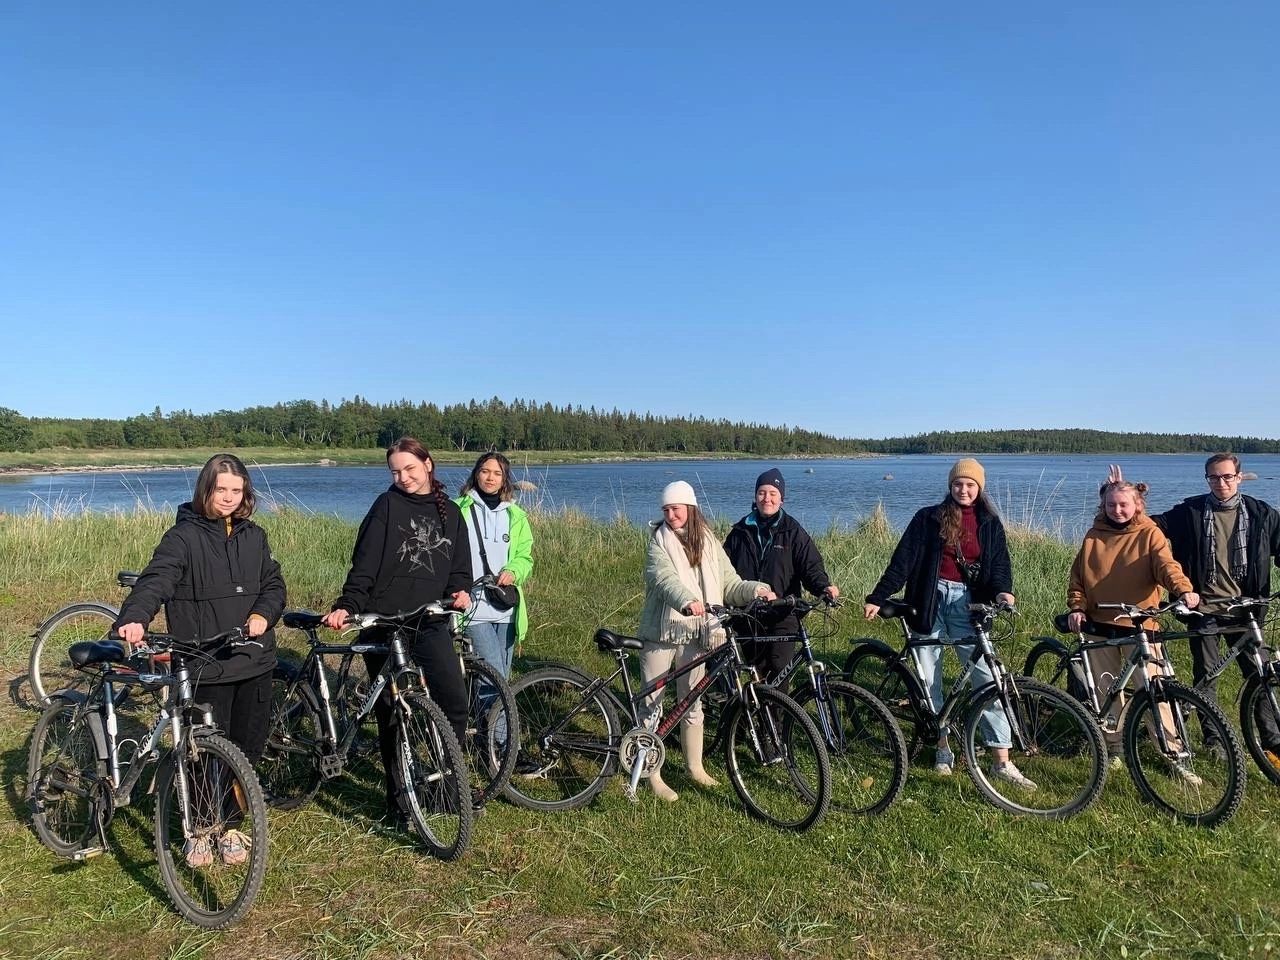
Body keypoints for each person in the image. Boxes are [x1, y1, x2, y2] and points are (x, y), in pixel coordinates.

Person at [115, 453, 286, 867]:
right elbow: (157, 578)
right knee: (202, 752)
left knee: (245, 751)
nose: (228, 498)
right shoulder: (182, 538)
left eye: (236, 490)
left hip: (255, 660)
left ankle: (228, 826)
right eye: (221, 489)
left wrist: (264, 613)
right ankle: (198, 829)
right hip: (204, 662)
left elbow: (274, 583)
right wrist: (136, 616)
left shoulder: (255, 536)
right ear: (205, 489)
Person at [321, 437, 475, 822]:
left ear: (428, 464)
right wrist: (348, 605)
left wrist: (460, 591)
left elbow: (459, 568)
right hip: (384, 623)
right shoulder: (386, 506)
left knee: (454, 704)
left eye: (410, 468)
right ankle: (399, 802)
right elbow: (365, 564)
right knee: (391, 714)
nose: (403, 477)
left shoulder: (452, 513)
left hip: (430, 620)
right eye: (395, 471)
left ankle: (443, 786)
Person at [864, 458, 1031, 788]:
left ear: (979, 488)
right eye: (958, 484)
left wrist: (1003, 593)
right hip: (929, 601)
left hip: (969, 604)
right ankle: (942, 750)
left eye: (970, 485)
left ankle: (1001, 759)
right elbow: (903, 561)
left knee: (987, 678)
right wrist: (878, 595)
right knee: (929, 679)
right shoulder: (929, 518)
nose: (963, 489)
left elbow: (1000, 565)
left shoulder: (989, 523)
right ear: (950, 486)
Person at [637, 480, 774, 801]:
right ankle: (651, 773)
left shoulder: (711, 543)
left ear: (691, 509)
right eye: (667, 510)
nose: (672, 516)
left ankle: (694, 767)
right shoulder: (658, 542)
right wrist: (686, 600)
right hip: (662, 633)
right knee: (651, 706)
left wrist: (757, 589)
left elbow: (730, 584)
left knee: (692, 703)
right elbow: (662, 579)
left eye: (677, 509)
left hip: (699, 633)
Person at [1143, 455, 1280, 764]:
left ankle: (1272, 740)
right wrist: (1134, 496)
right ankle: (1215, 740)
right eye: (1214, 478)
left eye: (1228, 477)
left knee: (1260, 674)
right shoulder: (1190, 512)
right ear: (1207, 479)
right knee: (1207, 676)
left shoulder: (1261, 514)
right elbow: (1149, 525)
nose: (1221, 483)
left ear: (1240, 477)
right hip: (1202, 610)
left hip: (1245, 611)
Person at [1066, 476, 1200, 767]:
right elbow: (1078, 579)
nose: (1117, 510)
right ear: (1103, 505)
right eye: (1111, 504)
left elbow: (1166, 566)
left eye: (1124, 504)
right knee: (1107, 690)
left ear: (1137, 505)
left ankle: (1173, 753)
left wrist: (1184, 589)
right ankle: (1115, 748)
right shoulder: (1093, 535)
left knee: (1155, 691)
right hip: (1099, 625)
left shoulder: (1150, 533)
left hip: (1140, 626)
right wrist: (1077, 607)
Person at [723, 467, 839, 680]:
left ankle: (781, 713)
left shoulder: (793, 532)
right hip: (748, 613)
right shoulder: (739, 532)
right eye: (762, 493)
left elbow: (810, 566)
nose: (767, 498)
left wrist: (824, 586)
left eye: (773, 493)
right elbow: (723, 570)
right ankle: (756, 711)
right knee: (755, 671)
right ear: (755, 496)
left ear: (781, 499)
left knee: (779, 669)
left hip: (783, 613)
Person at [453, 451, 534, 681]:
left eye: (497, 473)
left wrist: (513, 571)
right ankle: (503, 719)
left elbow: (524, 557)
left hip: (505, 606)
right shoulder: (457, 510)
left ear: (504, 479)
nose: (490, 478)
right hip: (472, 607)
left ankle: (488, 718)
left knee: (502, 677)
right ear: (476, 474)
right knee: (494, 675)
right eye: (485, 471)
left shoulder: (516, 516)